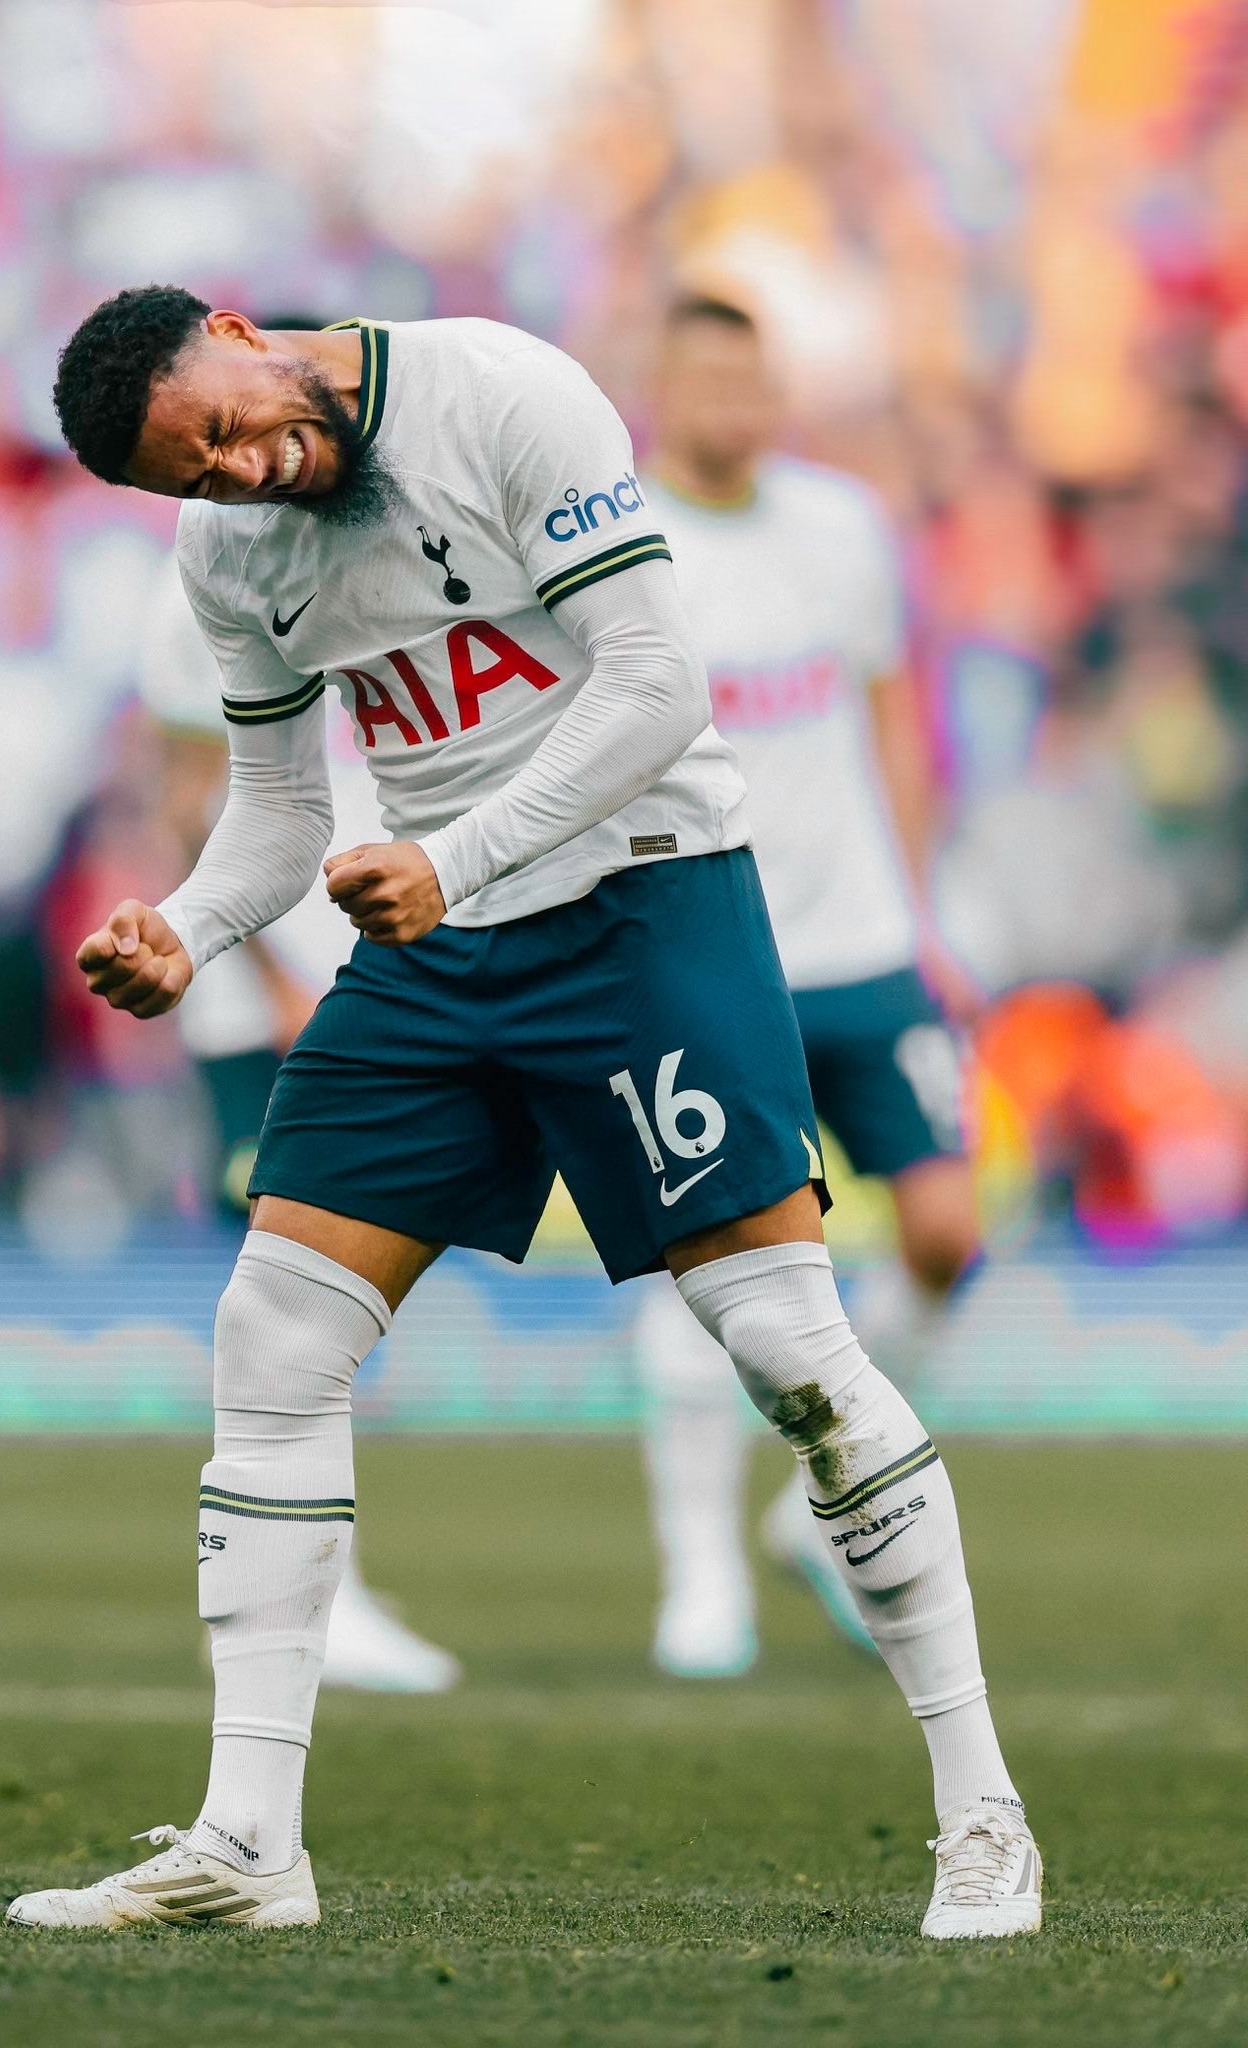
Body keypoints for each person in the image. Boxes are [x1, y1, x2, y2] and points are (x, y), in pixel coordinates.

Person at [6, 289, 1041, 1941]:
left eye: (218, 423)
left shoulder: (496, 390)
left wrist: (451, 857)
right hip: (434, 943)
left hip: (645, 907)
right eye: (190, 475)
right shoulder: (230, 557)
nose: (237, 469)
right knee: (270, 1338)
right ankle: (248, 1841)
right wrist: (185, 927)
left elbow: (648, 689)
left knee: (789, 1352)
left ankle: (982, 1815)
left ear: (232, 325)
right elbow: (276, 811)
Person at [633, 293, 986, 1679]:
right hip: (710, 958)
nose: (734, 394)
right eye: (705, 369)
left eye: (751, 370)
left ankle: (806, 1512)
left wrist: (919, 896)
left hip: (865, 946)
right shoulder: (619, 550)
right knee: (716, 1271)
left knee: (945, 1232)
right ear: (658, 388)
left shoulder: (838, 525)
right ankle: (697, 1577)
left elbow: (895, 714)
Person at [142, 538, 460, 1696]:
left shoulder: (385, 556)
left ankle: (324, 1585)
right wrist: (279, 972)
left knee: (339, 1306)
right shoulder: (203, 580)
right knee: (293, 1302)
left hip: (377, 969)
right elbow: (190, 796)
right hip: (266, 1002)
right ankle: (318, 1597)